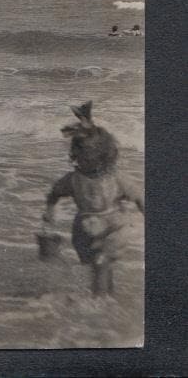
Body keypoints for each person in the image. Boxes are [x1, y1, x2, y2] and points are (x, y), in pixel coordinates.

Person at [42, 101, 144, 296]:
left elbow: (140, 197)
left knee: (101, 262)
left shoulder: (116, 178)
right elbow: (54, 193)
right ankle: (108, 297)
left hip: (113, 227)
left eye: (88, 159)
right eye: (78, 158)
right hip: (84, 230)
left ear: (104, 157)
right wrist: (49, 212)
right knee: (98, 267)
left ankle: (99, 304)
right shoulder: (73, 179)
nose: (82, 163)